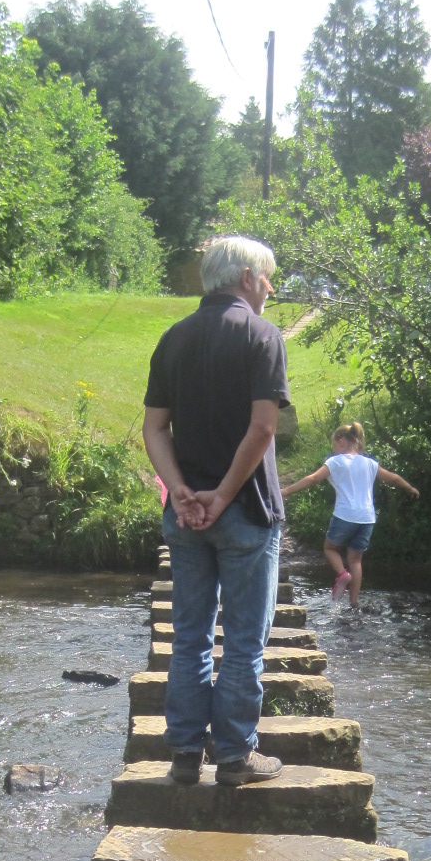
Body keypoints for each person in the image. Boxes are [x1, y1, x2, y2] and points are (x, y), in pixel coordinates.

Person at [141, 236, 290, 786]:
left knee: (190, 637)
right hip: (245, 511)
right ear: (247, 278)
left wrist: (179, 490)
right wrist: (223, 495)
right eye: (267, 278)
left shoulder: (173, 338)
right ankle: (233, 756)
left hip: (185, 518)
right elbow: (263, 428)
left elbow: (154, 428)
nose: (269, 288)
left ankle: (184, 754)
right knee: (245, 641)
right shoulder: (262, 335)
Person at [280, 421, 419, 608]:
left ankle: (342, 574)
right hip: (367, 518)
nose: (334, 448)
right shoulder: (370, 463)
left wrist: (286, 491)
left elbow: (313, 479)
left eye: (334, 444)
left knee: (330, 549)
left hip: (345, 515)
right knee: (356, 560)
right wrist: (409, 488)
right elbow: (392, 478)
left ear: (341, 440)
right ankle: (354, 603)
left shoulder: (336, 462)